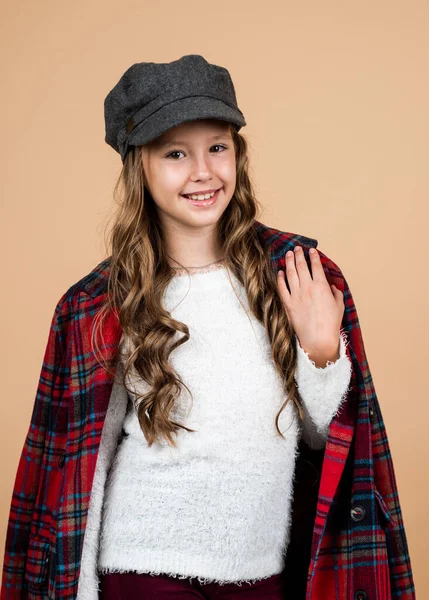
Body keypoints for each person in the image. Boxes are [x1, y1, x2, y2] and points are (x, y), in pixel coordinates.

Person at [1, 55, 415, 600]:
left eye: (218, 147)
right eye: (175, 154)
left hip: (261, 568)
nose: (203, 171)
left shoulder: (295, 274)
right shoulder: (99, 303)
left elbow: (325, 443)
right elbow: (85, 463)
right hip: (141, 566)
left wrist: (321, 355)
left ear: (238, 154)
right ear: (139, 169)